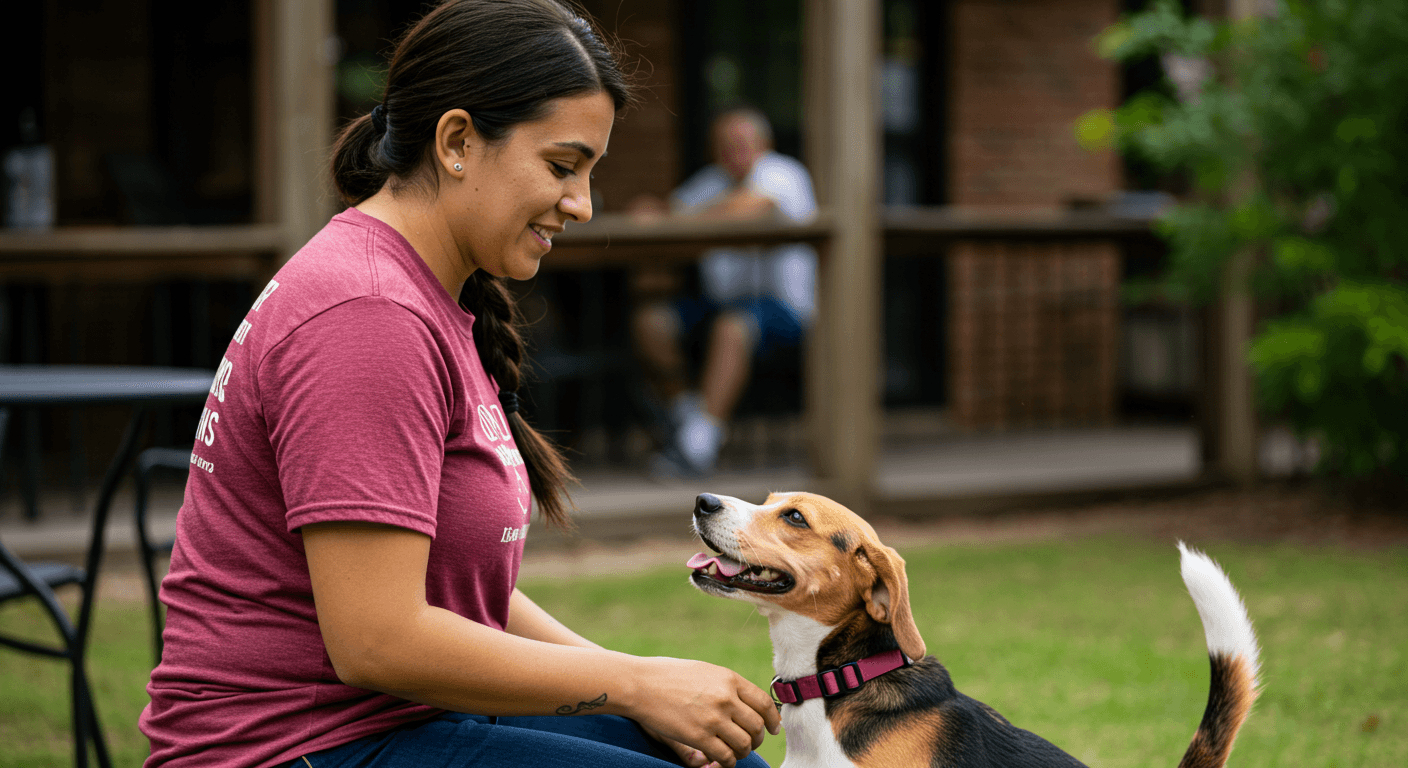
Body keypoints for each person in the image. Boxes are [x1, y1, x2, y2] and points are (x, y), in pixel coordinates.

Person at [139, 3, 779, 767]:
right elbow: (376, 640)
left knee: (712, 757)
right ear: (457, 141)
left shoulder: (419, 293)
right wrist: (634, 684)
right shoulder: (368, 313)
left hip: (395, 721)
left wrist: (644, 686)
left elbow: (450, 585)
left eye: (590, 173)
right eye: (562, 165)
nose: (582, 204)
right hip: (293, 748)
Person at [630, 108, 817, 477]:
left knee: (732, 327)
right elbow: (660, 214)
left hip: (785, 310)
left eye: (742, 145)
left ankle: (697, 448)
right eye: (724, 147)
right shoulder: (711, 181)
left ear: (764, 145)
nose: (733, 154)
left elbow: (749, 207)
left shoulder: (784, 173)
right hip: (721, 305)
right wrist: (655, 212)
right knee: (651, 321)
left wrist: (677, 217)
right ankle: (689, 418)